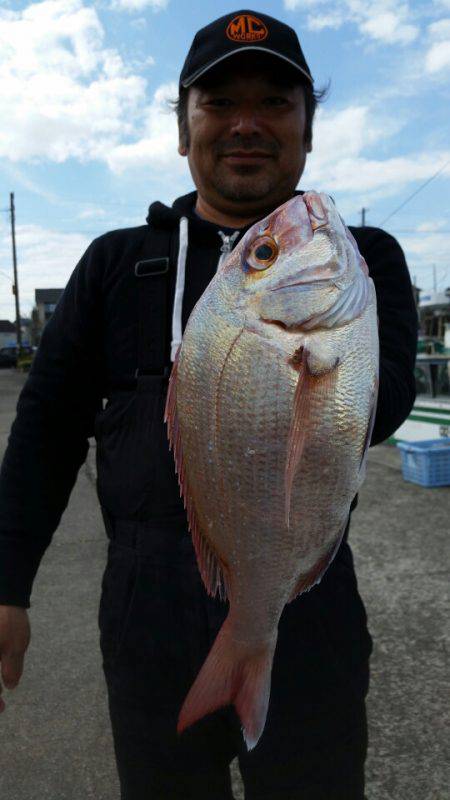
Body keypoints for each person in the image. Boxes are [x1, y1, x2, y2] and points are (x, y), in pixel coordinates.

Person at [0, 9, 417, 800]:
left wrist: (323, 335)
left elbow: (385, 404)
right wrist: (6, 583)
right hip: (146, 620)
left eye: (276, 103)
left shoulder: (364, 261)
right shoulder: (117, 264)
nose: (247, 124)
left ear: (308, 129)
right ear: (184, 127)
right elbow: (47, 430)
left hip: (307, 603)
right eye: (220, 104)